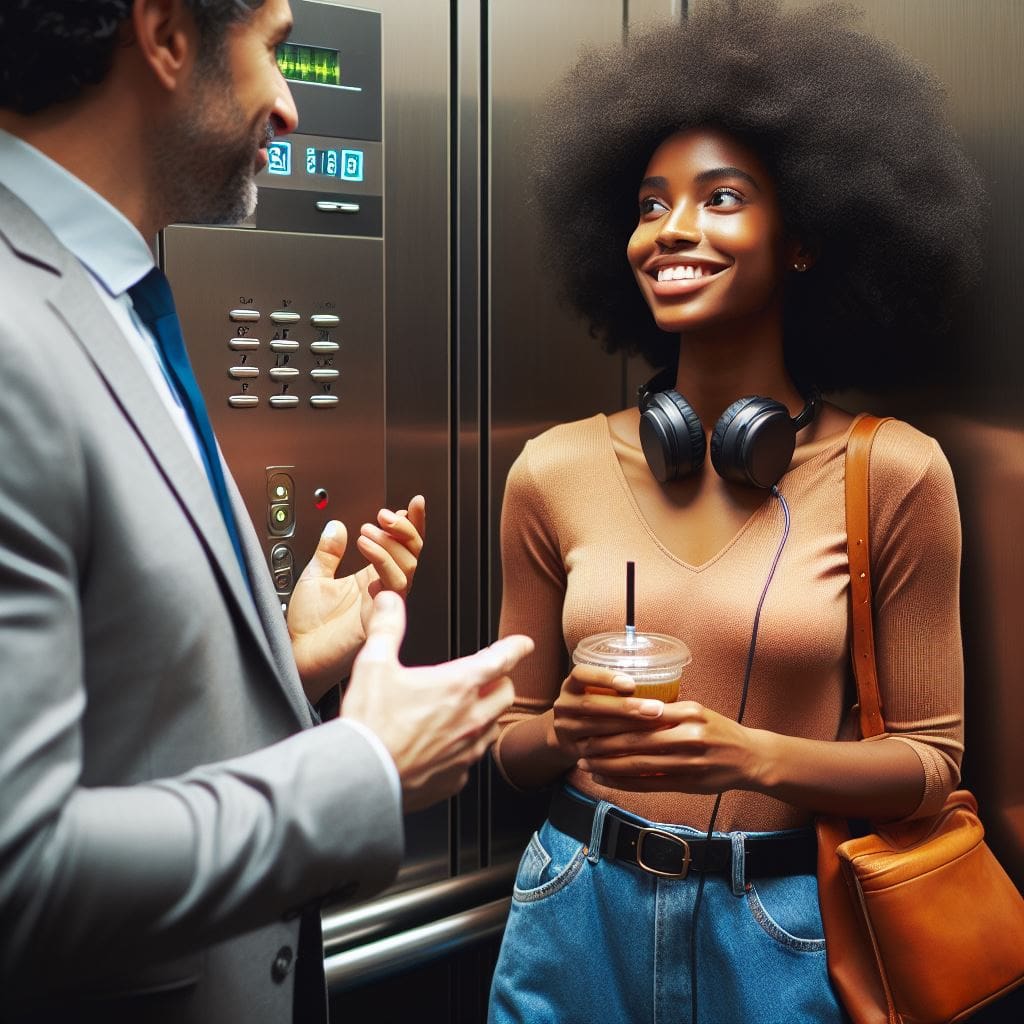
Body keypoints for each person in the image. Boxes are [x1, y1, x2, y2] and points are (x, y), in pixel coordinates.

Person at [0, 2, 532, 1022]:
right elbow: (19, 873)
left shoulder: (99, 296)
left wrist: (282, 668)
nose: (289, 107)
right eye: (275, 49)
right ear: (162, 36)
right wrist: (363, 769)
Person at [487, 2, 984, 1022]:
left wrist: (749, 755)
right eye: (648, 202)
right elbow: (506, 740)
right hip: (574, 905)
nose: (672, 229)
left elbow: (931, 769)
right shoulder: (551, 469)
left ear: (800, 238)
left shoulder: (892, 471)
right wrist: (562, 734)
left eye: (720, 198)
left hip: (782, 929)